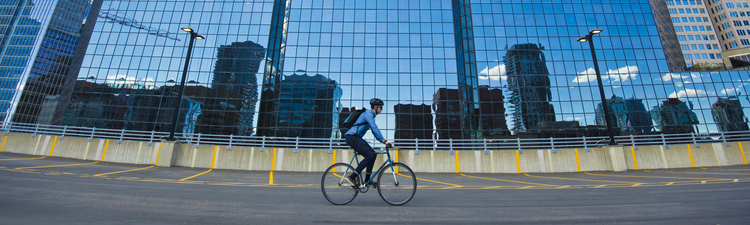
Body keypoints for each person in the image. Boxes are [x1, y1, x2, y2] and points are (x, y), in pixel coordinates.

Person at [345, 98, 393, 187]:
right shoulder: (368, 114)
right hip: (352, 137)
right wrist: (384, 141)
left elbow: (374, 132)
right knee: (369, 156)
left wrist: (383, 141)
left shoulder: (371, 116)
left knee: (373, 154)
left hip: (356, 137)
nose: (382, 109)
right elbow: (374, 128)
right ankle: (352, 177)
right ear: (375, 107)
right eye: (381, 107)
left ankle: (367, 180)